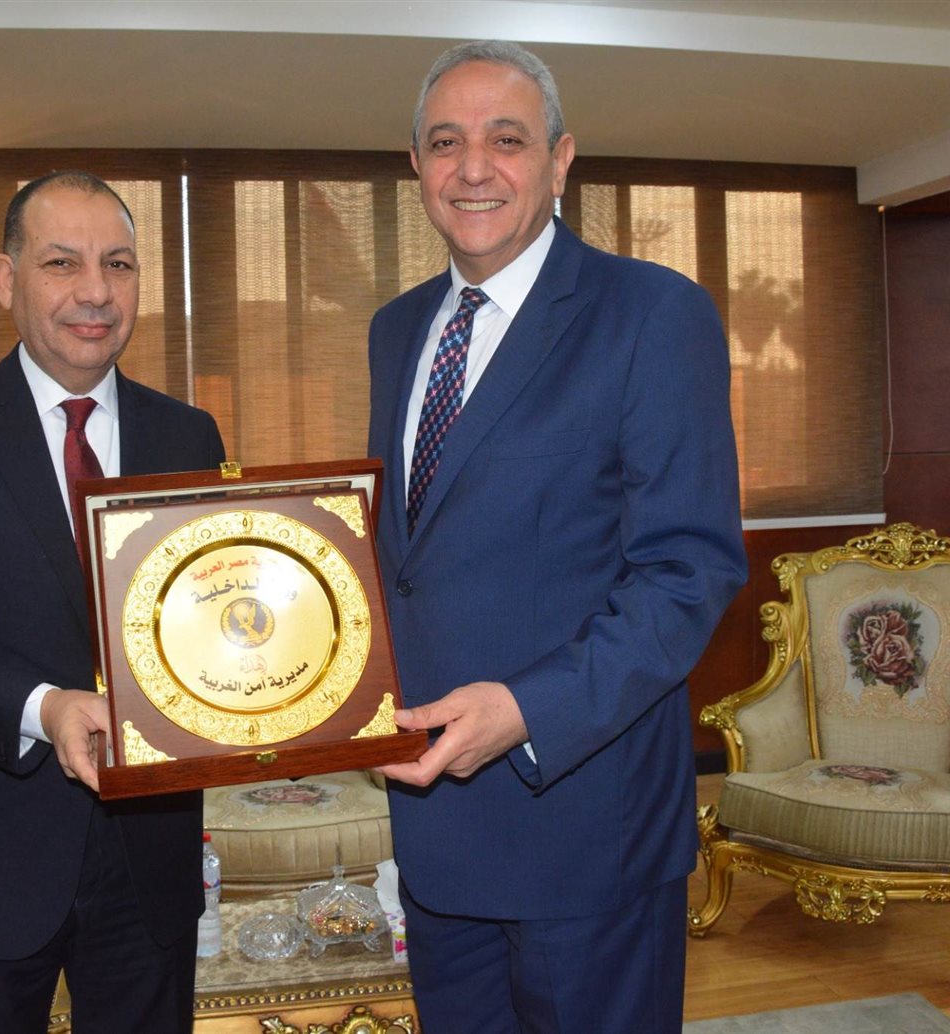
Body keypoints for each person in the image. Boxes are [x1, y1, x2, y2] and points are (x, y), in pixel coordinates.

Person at [369, 41, 747, 1033]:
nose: (473, 167)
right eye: (445, 143)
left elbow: (687, 570)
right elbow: (405, 556)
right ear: (416, 165)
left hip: (584, 824)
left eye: (507, 139)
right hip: (435, 825)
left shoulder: (652, 313)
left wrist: (528, 710)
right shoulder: (395, 330)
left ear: (560, 159)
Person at [0, 170, 225, 1034]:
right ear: (6, 279)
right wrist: (44, 707)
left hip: (148, 858)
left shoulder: (188, 435)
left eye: (118, 264)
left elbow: (207, 615)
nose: (96, 291)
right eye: (63, 263)